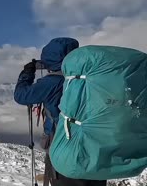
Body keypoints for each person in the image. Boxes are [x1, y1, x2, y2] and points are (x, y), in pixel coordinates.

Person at [14, 37, 107, 186]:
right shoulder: (92, 79)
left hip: (65, 148)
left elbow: (21, 96)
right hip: (95, 147)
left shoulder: (52, 82)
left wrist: (26, 74)